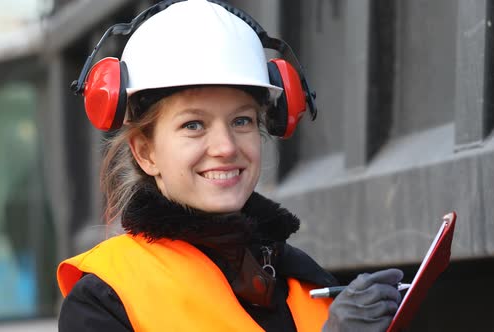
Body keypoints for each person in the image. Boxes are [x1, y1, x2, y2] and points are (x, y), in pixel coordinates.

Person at [57, 1, 404, 331]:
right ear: (146, 153)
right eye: (193, 125)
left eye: (242, 121)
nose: (225, 148)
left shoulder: (301, 280)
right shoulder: (103, 300)